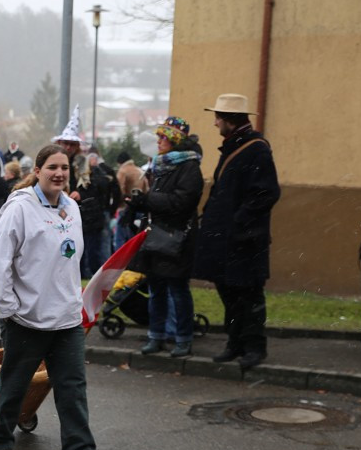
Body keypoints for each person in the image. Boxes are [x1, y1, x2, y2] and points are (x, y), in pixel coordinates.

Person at [0, 144, 112, 450]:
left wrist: (76, 302)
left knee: (73, 387)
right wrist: (8, 309)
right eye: (52, 167)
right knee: (15, 383)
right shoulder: (20, 209)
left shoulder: (71, 207)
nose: (59, 173)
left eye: (65, 168)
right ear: (37, 171)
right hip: (27, 318)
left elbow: (70, 261)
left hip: (66, 318)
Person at [193, 93, 281, 370]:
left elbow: (267, 193)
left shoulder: (256, 149)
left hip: (245, 241)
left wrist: (238, 221)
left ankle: (255, 347)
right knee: (230, 293)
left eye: (218, 117)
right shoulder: (234, 146)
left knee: (249, 295)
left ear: (229, 120)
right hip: (228, 241)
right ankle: (235, 343)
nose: (215, 122)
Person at [127, 116, 204, 358]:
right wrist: (139, 204)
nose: (158, 141)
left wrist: (148, 200)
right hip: (156, 235)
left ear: (175, 140)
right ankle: (156, 336)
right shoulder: (162, 165)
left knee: (178, 289)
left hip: (176, 238)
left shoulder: (189, 167)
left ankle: (183, 338)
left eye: (163, 137)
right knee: (157, 289)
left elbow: (182, 202)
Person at [72, 154, 111, 279]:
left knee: (93, 248)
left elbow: (97, 195)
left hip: (92, 218)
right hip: (88, 218)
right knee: (87, 248)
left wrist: (81, 196)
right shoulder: (86, 178)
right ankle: (86, 272)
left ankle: (93, 272)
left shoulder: (93, 178)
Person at [114, 151, 148, 250]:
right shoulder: (140, 170)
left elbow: (118, 190)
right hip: (140, 209)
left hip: (126, 208)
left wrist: (117, 205)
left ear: (120, 162)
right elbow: (147, 189)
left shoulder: (123, 171)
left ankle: (119, 263)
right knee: (135, 238)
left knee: (120, 238)